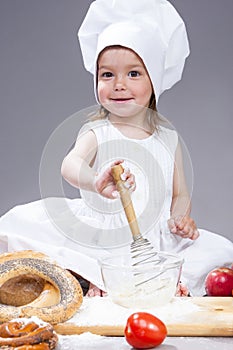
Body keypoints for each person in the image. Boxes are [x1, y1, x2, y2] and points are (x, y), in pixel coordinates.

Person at [0, 0, 232, 298]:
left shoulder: (167, 137)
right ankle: (91, 280)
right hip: (103, 233)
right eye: (107, 75)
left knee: (220, 252)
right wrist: (95, 180)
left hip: (154, 237)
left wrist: (180, 217)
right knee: (25, 228)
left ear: (155, 80)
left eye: (134, 74)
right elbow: (70, 164)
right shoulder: (99, 130)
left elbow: (180, 193)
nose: (119, 84)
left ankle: (156, 282)